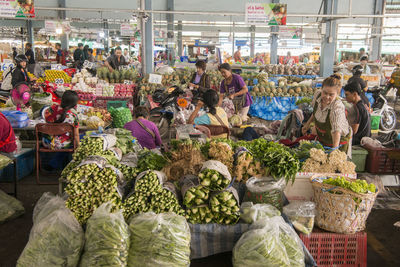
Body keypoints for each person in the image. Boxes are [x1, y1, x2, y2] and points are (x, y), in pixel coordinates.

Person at [302, 74, 351, 153]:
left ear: (337, 94)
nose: (327, 97)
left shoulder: (337, 107)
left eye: (331, 95)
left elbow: (336, 131)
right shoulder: (317, 95)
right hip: (323, 139)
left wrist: (334, 151)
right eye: (325, 93)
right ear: (321, 89)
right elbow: (316, 112)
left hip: (338, 142)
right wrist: (307, 124)